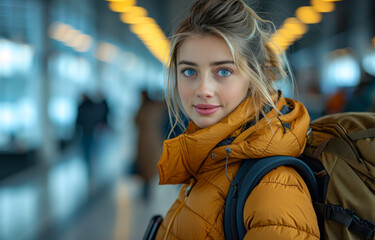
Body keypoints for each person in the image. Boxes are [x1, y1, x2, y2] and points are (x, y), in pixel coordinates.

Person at [154, 0, 319, 239]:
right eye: (189, 71)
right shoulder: (211, 158)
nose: (203, 89)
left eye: (223, 71)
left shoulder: (273, 188)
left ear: (253, 77)